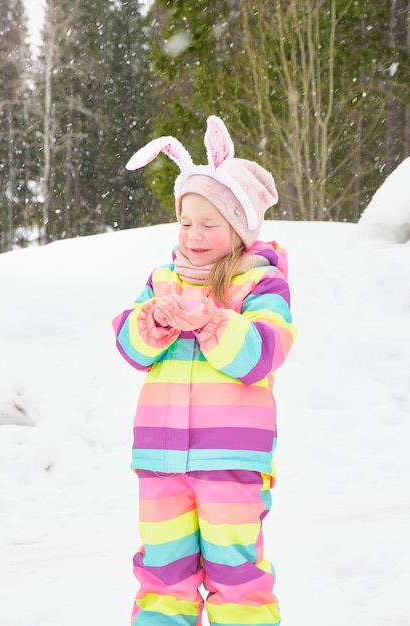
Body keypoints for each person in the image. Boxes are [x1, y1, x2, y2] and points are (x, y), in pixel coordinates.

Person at [112, 115, 296, 626]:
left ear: (239, 229)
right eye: (186, 222)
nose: (194, 235)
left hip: (231, 456)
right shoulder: (162, 280)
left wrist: (214, 322)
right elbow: (131, 348)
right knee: (163, 574)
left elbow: (262, 352)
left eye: (210, 224)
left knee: (236, 576)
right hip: (160, 458)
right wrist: (153, 323)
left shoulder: (259, 285)